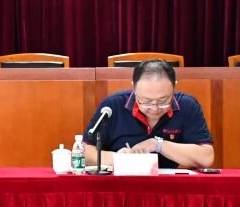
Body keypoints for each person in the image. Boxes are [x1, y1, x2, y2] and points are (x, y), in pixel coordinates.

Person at [84, 58, 214, 169]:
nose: (155, 108)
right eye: (146, 101)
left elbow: (206, 158)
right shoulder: (113, 106)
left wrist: (159, 145)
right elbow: (84, 152)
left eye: (163, 101)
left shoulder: (187, 106)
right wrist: (118, 158)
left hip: (167, 185)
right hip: (121, 182)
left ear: (174, 86)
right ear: (134, 87)